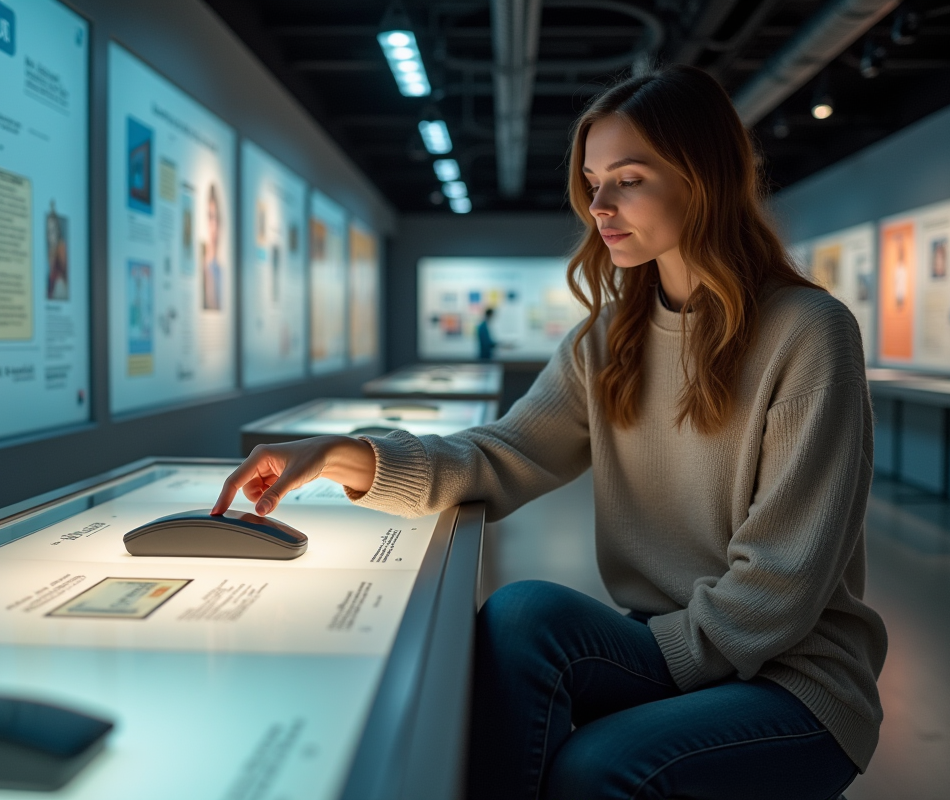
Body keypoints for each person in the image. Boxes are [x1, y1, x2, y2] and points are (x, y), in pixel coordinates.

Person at [212, 65, 886, 800]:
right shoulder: (609, 338)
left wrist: (652, 669)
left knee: (595, 768)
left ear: (702, 176)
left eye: (627, 178)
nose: (598, 205)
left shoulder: (810, 333)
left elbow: (779, 586)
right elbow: (505, 454)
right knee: (522, 612)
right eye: (593, 180)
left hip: (793, 679)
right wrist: (351, 457)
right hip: (668, 642)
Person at [202, 184, 223, 310]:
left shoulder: (221, 268)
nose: (213, 225)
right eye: (210, 217)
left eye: (216, 218)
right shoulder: (203, 266)